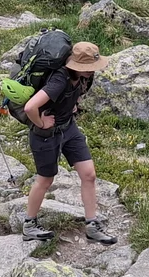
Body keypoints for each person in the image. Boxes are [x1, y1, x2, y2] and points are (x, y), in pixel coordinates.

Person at [19, 41, 117, 245]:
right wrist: (42, 122)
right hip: (46, 134)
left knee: (89, 174)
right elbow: (30, 108)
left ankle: (92, 225)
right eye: (88, 67)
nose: (91, 71)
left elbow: (76, 95)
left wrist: (72, 106)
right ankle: (29, 225)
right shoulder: (59, 80)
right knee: (45, 180)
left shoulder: (84, 78)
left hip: (68, 128)